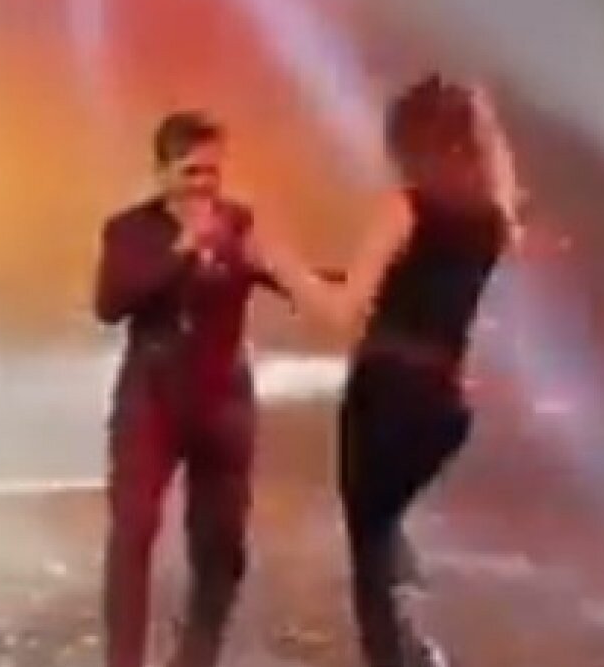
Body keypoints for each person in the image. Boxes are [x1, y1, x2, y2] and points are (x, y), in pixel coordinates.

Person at [265, 75, 517, 667]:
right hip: (444, 406)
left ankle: (398, 649)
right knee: (382, 533)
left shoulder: (406, 208)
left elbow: (343, 312)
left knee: (370, 565)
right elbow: (404, 293)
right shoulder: (493, 219)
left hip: (386, 400)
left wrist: (275, 261)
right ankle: (413, 641)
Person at [94, 110, 284, 667]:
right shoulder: (129, 230)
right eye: (191, 172)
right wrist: (181, 249)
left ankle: (196, 658)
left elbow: (289, 276)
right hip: (151, 394)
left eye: (212, 172)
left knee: (222, 547)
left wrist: (369, 285)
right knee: (133, 532)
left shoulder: (239, 224)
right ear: (163, 173)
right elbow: (110, 303)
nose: (203, 186)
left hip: (223, 398)